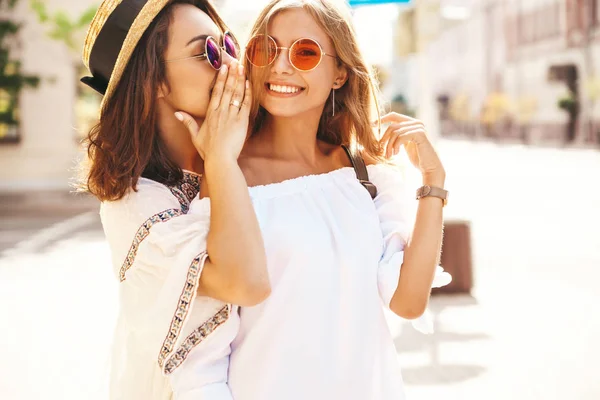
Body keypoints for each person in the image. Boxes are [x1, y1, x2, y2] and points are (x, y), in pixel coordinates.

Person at [224, 0, 450, 398]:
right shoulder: (227, 173)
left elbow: (408, 302)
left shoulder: (363, 177)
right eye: (266, 48)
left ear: (340, 73)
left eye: (305, 52)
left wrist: (433, 181)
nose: (280, 66)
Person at [79, 0, 269, 398]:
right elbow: (245, 283)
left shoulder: (253, 154)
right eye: (209, 53)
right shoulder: (133, 204)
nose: (232, 67)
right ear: (154, 81)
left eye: (230, 47)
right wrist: (219, 160)